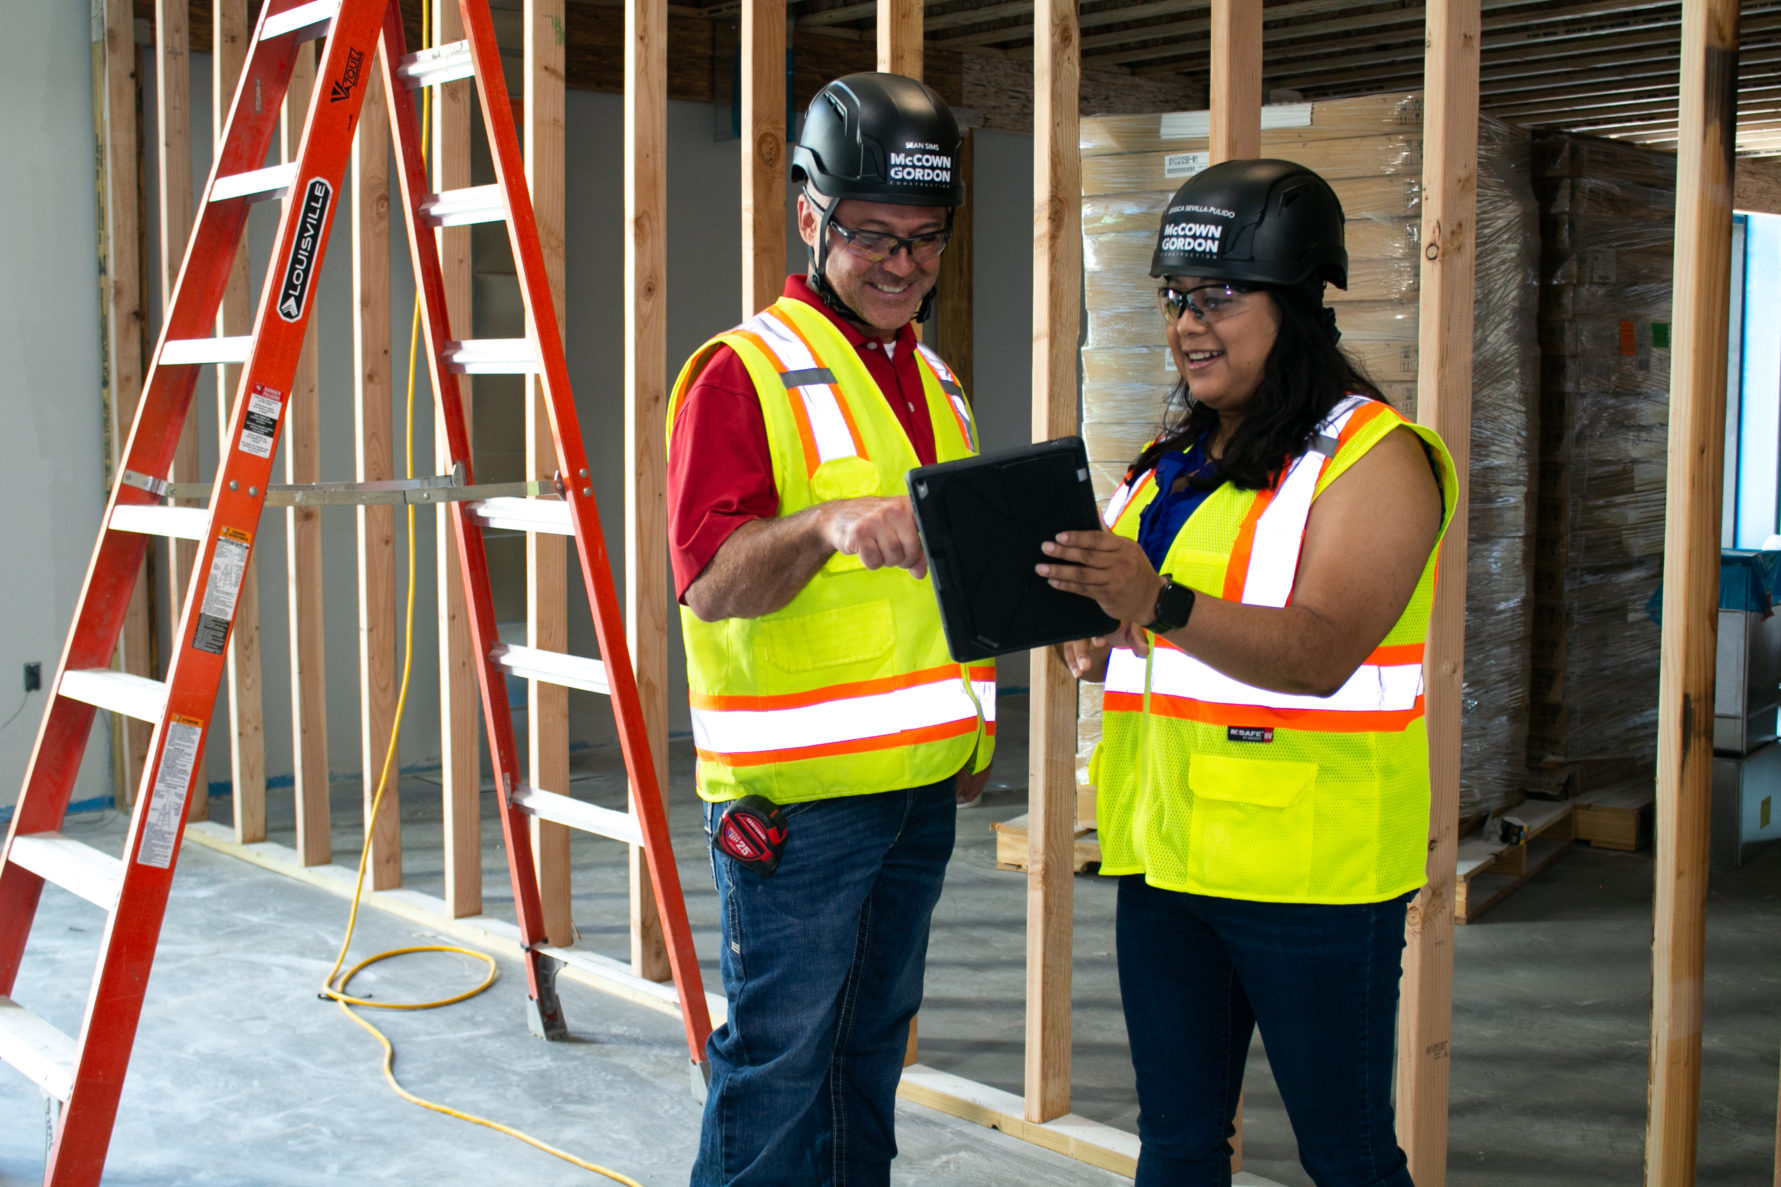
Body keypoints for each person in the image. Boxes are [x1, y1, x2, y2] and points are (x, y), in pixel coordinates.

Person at [1036, 159, 1456, 1187]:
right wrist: (1091, 636)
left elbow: (1319, 652)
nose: (1188, 323)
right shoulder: (1167, 460)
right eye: (1176, 297)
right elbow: (1146, 634)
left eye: (1220, 296)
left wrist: (1158, 603)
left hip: (1309, 874)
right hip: (1165, 857)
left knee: (1346, 1153)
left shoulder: (1374, 458)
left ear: (1300, 302)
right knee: (1175, 1144)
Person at [666, 72, 995, 1187]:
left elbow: (951, 585)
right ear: (809, 216)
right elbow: (710, 583)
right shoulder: (740, 372)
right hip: (799, 806)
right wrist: (825, 523)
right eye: (870, 236)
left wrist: (973, 729)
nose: (901, 264)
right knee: (776, 1061)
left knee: (865, 1051)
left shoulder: (936, 380)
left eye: (924, 238)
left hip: (917, 788)